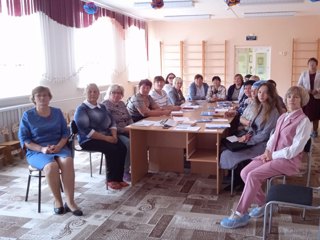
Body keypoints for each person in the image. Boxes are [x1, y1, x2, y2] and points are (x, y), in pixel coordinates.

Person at [220, 86, 312, 229]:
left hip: (288, 161)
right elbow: (273, 136)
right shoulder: (283, 116)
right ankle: (264, 204)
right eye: (289, 97)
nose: (291, 100)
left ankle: (240, 214)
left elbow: (295, 150)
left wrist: (272, 155)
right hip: (272, 155)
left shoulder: (304, 122)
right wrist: (268, 150)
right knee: (244, 172)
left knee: (253, 176)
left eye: (296, 97)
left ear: (302, 100)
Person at [18, 86, 83, 216]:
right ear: (34, 99)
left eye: (45, 95)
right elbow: (25, 140)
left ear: (49, 97)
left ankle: (70, 202)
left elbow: (65, 133)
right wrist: (42, 149)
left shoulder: (57, 112)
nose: (42, 98)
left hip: (58, 147)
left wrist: (59, 146)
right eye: (38, 95)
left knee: (68, 161)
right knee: (51, 166)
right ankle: (57, 201)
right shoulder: (28, 115)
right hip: (36, 150)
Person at [220, 82, 281, 189]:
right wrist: (246, 136)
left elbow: (265, 135)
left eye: (265, 93)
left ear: (271, 95)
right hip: (251, 139)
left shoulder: (273, 112)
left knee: (229, 153)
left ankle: (240, 181)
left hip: (262, 145)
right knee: (225, 143)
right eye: (260, 92)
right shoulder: (260, 106)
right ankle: (237, 179)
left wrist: (247, 140)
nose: (261, 95)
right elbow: (252, 127)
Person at [74, 83, 127, 190]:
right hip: (88, 140)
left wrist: (114, 136)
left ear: (99, 93)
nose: (92, 94)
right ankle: (111, 180)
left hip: (107, 136)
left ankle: (119, 178)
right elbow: (86, 130)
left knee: (122, 147)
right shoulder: (82, 109)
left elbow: (112, 123)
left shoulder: (102, 107)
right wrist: (106, 138)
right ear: (85, 93)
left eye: (95, 91)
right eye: (90, 91)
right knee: (112, 149)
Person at [102, 84, 133, 182]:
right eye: (114, 92)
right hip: (114, 133)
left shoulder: (122, 104)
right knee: (128, 143)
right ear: (109, 93)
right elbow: (110, 124)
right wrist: (124, 130)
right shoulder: (105, 105)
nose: (116, 95)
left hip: (127, 129)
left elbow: (129, 118)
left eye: (119, 93)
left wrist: (132, 126)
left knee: (141, 139)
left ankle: (138, 167)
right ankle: (125, 171)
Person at [298, 57, 320, 138]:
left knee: (316, 116)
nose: (312, 65)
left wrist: (317, 90)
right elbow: (299, 85)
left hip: (317, 98)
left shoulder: (319, 73)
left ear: (316, 65)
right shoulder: (303, 73)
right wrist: (307, 90)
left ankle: (314, 131)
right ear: (308, 65)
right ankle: (305, 131)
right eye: (310, 63)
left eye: (314, 63)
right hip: (306, 97)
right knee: (305, 115)